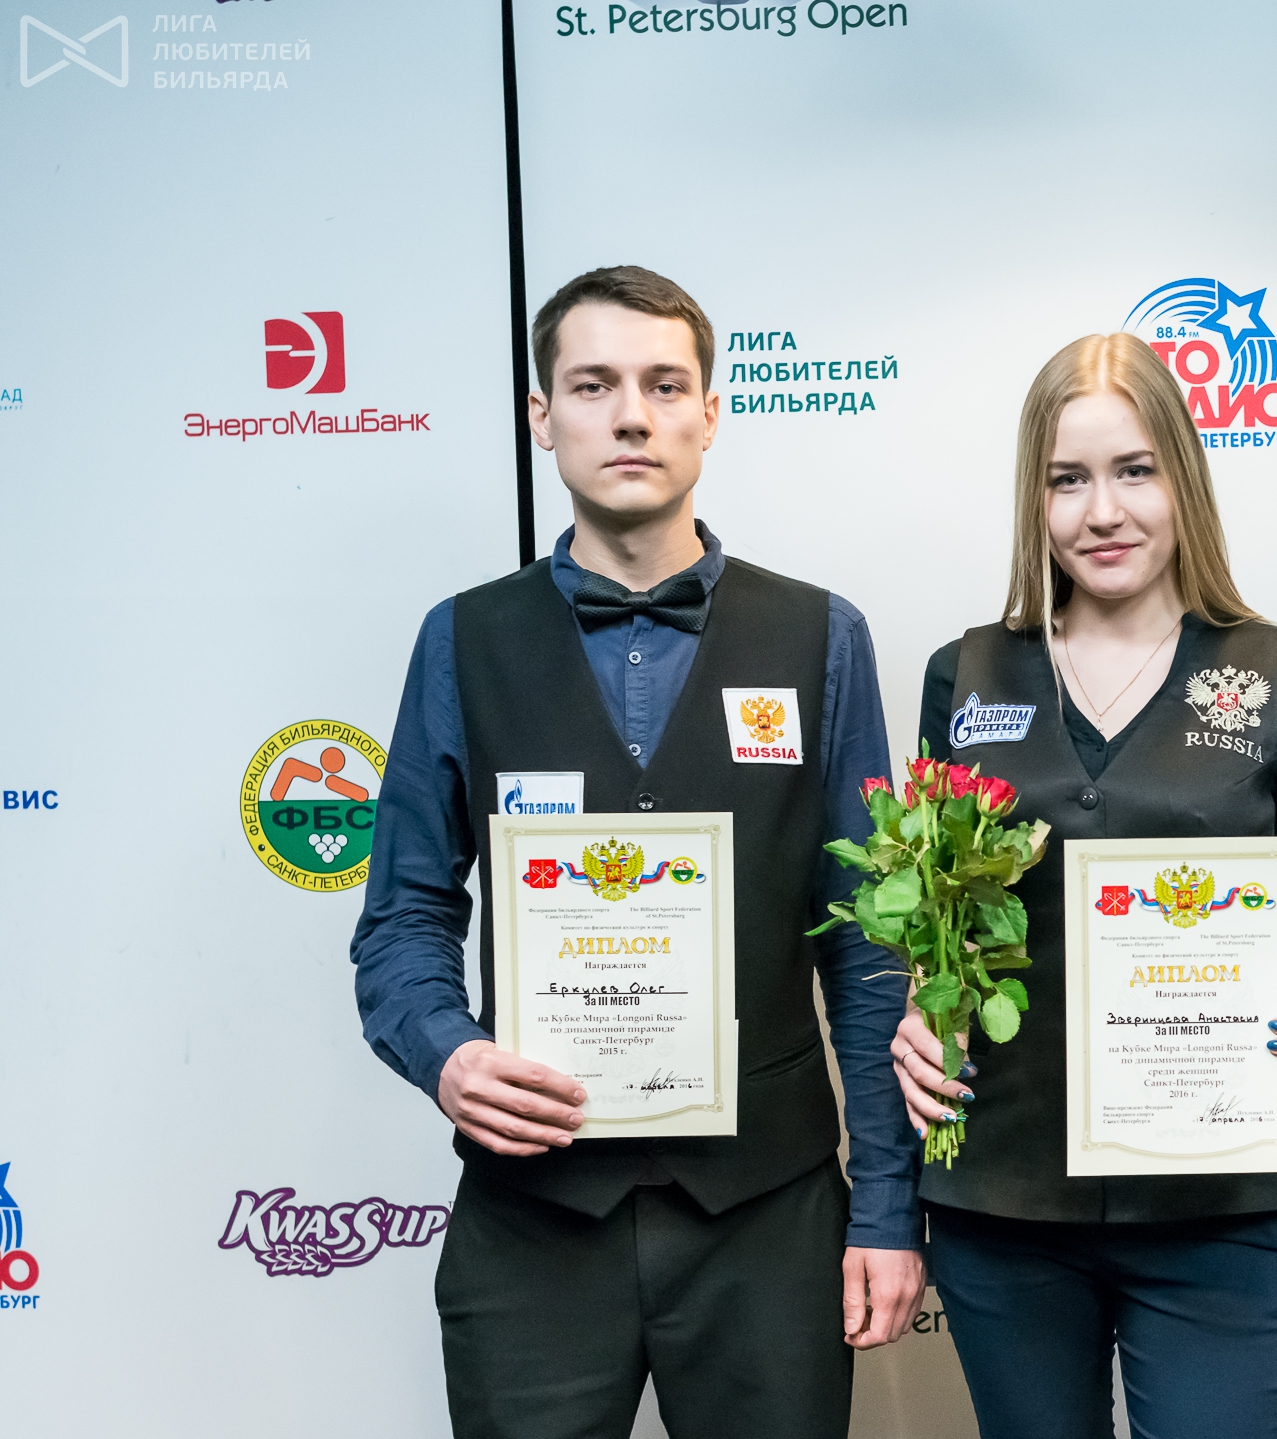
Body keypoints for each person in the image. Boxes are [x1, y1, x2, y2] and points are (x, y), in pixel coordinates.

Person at [350, 265, 922, 1439]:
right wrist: (447, 1052)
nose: (631, 415)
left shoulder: (822, 634)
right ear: (541, 415)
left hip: (768, 1212)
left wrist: (885, 1204)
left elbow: (869, 945)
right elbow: (403, 916)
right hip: (535, 1215)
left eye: (664, 385)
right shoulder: (461, 638)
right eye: (593, 384)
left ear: (709, 413)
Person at [885, 332, 1277, 1439]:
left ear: (1182, 478)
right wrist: (920, 1013)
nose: (1103, 511)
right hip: (1002, 1191)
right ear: (1036, 497)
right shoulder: (966, 675)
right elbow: (937, 915)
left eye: (1135, 470)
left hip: (1212, 1196)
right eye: (1069, 479)